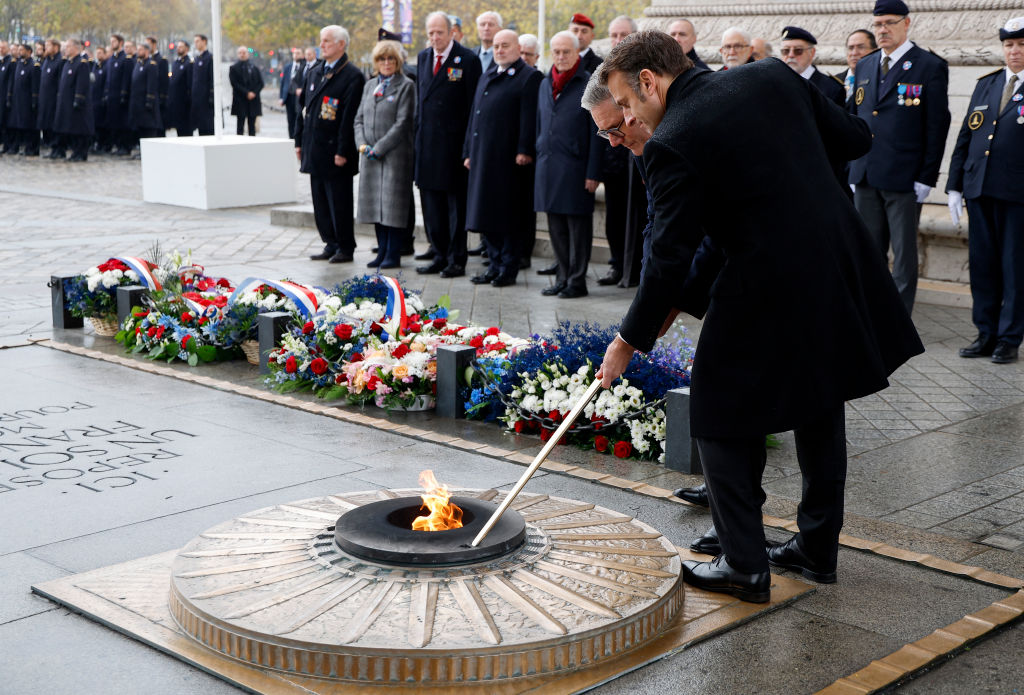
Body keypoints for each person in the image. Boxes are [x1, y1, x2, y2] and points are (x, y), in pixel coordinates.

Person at [597, 31, 923, 602]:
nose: (626, 116)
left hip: (766, 279)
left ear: (649, 81)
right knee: (821, 400)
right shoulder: (772, 75)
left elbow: (667, 259)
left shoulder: (673, 139)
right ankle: (816, 549)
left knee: (716, 409)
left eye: (624, 104)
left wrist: (629, 340)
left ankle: (745, 566)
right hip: (838, 256)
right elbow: (853, 136)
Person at [848, 0, 950, 314]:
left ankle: (898, 318)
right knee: (868, 251)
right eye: (878, 24)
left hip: (904, 175)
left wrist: (926, 176)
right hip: (866, 173)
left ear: (907, 24)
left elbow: (936, 126)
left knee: (904, 255)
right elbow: (856, 116)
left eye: (890, 23)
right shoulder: (865, 64)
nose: (883, 30)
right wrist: (853, 165)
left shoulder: (928, 65)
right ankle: (871, 312)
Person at [946, 16, 1024, 365]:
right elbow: (968, 134)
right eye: (1009, 45)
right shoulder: (988, 84)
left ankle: (1009, 338)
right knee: (983, 267)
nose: (1015, 51)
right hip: (980, 188)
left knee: (1014, 267)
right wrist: (954, 186)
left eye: (1022, 45)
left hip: (1017, 194)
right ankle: (986, 332)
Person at [463, 29, 542, 286]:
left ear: (518, 48)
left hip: (509, 161)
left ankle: (507, 267)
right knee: (486, 215)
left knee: (508, 217)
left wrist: (524, 149)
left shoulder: (528, 76)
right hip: (483, 157)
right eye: (496, 46)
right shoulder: (488, 74)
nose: (499, 50)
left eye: (505, 45)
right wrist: (468, 151)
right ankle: (493, 264)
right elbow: (474, 115)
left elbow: (529, 117)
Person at [535, 31, 604, 299]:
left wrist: (593, 172)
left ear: (577, 53)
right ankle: (562, 277)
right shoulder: (545, 83)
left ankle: (577, 281)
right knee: (556, 228)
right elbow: (540, 124)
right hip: (549, 167)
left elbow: (598, 133)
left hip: (576, 170)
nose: (561, 57)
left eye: (566, 52)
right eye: (557, 52)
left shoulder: (588, 84)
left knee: (577, 229)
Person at [414, 12, 482, 277]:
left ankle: (456, 258)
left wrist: (468, 148)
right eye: (430, 33)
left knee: (455, 208)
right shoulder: (423, 57)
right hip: (427, 145)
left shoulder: (467, 59)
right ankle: (439, 254)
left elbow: (473, 108)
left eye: (439, 32)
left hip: (453, 147)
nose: (434, 38)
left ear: (451, 32)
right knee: (432, 207)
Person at [296, 25, 365, 263]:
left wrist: (343, 150)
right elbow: (303, 108)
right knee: (320, 200)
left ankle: (345, 246)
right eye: (321, 40)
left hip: (336, 150)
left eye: (327, 41)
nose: (322, 45)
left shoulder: (352, 75)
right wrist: (298, 141)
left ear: (341, 45)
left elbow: (349, 118)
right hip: (314, 147)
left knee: (339, 201)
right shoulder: (315, 71)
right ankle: (330, 241)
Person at [354, 40, 416, 269]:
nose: (386, 63)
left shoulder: (406, 85)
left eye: (391, 59)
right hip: (369, 155)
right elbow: (358, 118)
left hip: (394, 156)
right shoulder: (370, 85)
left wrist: (378, 148)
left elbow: (403, 124)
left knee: (392, 207)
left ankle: (393, 252)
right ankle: (381, 250)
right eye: (382, 59)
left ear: (398, 61)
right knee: (374, 205)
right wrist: (362, 145)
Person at [598, 15, 640, 288]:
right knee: (614, 217)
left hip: (637, 153)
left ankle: (633, 269)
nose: (617, 40)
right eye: (613, 35)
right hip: (614, 156)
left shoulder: (642, 69)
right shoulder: (604, 71)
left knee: (635, 218)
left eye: (623, 34)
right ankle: (616, 265)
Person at [53, 38, 93, 161]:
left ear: (76, 47)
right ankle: (75, 152)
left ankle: (81, 153)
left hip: (77, 103)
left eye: (69, 46)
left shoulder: (81, 63)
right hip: (66, 102)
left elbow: (82, 84)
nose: (66, 49)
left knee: (79, 129)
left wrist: (78, 99)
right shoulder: (68, 63)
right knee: (71, 128)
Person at [8, 43, 41, 156]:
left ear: (29, 51)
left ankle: (32, 148)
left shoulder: (34, 65)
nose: (19, 52)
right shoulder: (19, 64)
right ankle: (25, 147)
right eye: (19, 50)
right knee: (20, 125)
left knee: (30, 126)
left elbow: (35, 85)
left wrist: (34, 100)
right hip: (18, 100)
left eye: (22, 50)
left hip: (28, 101)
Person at [129, 42, 162, 149]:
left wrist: (149, 100)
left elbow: (151, 84)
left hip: (146, 103)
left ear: (147, 51)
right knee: (140, 128)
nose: (138, 52)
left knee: (148, 129)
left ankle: (149, 150)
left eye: (141, 50)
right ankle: (142, 149)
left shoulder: (151, 65)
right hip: (137, 103)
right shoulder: (138, 64)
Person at [39, 38, 64, 158]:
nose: (46, 48)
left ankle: (58, 149)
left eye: (48, 46)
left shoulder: (60, 61)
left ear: (56, 47)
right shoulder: (46, 61)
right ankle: (52, 147)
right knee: (46, 124)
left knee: (55, 125)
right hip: (44, 98)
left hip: (54, 99)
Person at [230, 46, 263, 136]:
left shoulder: (254, 67)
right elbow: (235, 83)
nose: (242, 55)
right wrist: (246, 93)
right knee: (240, 125)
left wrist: (254, 93)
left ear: (248, 54)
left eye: (244, 53)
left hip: (253, 100)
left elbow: (261, 83)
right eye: (240, 53)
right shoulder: (233, 68)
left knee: (252, 125)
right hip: (240, 100)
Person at [839, 29, 877, 100]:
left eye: (860, 47)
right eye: (850, 48)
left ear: (874, 52)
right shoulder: (833, 82)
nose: (854, 53)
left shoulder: (879, 81)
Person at [167, 41, 193, 137]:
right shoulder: (175, 63)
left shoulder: (189, 63)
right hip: (176, 102)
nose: (178, 48)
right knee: (179, 130)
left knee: (186, 131)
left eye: (181, 47)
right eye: (177, 47)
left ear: (187, 48)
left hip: (185, 102)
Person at [191, 34, 214, 136]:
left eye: (198, 41)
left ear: (204, 41)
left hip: (206, 99)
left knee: (208, 128)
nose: (196, 44)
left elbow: (212, 78)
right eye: (195, 41)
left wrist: (211, 96)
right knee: (201, 129)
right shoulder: (197, 59)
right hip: (198, 100)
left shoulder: (209, 58)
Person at [146, 37, 168, 135]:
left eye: (148, 44)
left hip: (158, 95)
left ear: (154, 45)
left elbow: (164, 81)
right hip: (149, 96)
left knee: (159, 125)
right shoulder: (146, 60)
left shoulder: (161, 60)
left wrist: (163, 97)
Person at [279, 47, 303, 138]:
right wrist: (281, 97)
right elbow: (283, 82)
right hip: (288, 97)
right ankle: (291, 139)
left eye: (298, 53)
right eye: (295, 53)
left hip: (299, 97)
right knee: (290, 119)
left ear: (302, 55)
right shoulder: (288, 67)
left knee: (298, 119)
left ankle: (298, 139)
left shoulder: (304, 66)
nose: (296, 55)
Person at [90, 46, 109, 151]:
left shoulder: (106, 66)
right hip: (94, 98)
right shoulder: (95, 66)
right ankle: (96, 143)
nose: (98, 55)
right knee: (95, 123)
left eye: (100, 53)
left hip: (102, 98)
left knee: (102, 124)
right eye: (97, 53)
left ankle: (103, 144)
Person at [0, 41, 13, 154]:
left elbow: (10, 81)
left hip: (4, 96)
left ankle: (7, 145)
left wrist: (9, 96)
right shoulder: (2, 62)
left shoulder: (10, 62)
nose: (1, 50)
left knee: (4, 122)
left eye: (3, 48)